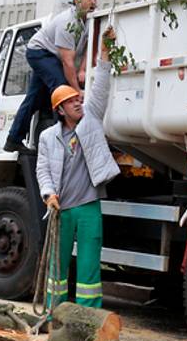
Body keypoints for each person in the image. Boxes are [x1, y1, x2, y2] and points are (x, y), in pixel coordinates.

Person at [35, 26, 122, 309]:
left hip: (88, 207)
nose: (79, 102)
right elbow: (43, 171)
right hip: (61, 210)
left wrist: (105, 49)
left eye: (78, 98)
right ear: (60, 109)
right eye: (72, 101)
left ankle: (88, 317)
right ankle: (52, 314)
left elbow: (101, 86)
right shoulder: (48, 137)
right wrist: (49, 195)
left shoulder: (91, 120)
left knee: (88, 269)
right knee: (56, 268)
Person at [4, 0, 99, 153]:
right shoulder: (67, 23)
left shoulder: (91, 20)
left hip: (52, 56)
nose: (93, 3)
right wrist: (77, 91)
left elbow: (90, 48)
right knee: (63, 90)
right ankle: (63, 142)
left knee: (34, 98)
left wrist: (84, 69)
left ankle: (13, 139)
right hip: (39, 52)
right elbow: (67, 62)